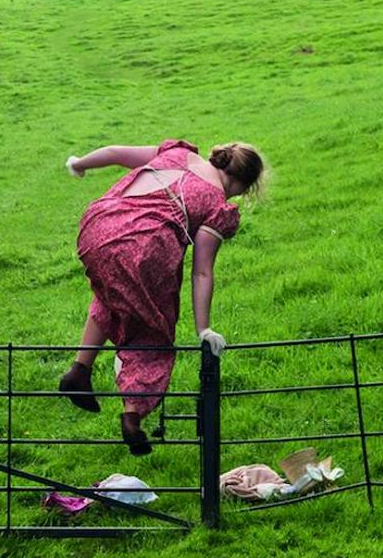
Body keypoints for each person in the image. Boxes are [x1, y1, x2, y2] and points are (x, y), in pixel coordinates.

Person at [59, 140, 264, 455]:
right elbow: (202, 273)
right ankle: (133, 413)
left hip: (97, 226)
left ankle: (79, 370)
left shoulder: (178, 153)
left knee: (113, 293)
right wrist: (203, 330)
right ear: (242, 184)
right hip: (145, 246)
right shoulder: (217, 205)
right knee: (153, 329)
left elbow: (114, 153)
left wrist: (79, 164)